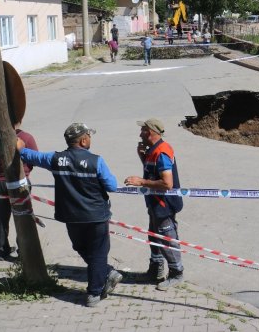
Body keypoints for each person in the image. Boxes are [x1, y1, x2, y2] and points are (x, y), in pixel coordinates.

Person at [17, 123, 122, 307]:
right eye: (89, 136)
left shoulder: (55, 159)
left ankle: (105, 274)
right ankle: (94, 293)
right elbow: (112, 186)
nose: (90, 139)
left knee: (80, 247)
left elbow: (32, 156)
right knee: (97, 253)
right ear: (83, 140)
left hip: (71, 216)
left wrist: (20, 148)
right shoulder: (96, 161)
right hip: (96, 215)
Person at [124, 118, 184, 291]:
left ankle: (176, 273)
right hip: (154, 203)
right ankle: (156, 270)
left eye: (142, 130)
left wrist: (141, 182)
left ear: (150, 132)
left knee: (167, 238)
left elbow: (167, 183)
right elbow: (153, 172)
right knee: (154, 235)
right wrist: (142, 156)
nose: (140, 133)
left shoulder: (162, 152)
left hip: (163, 204)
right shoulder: (153, 150)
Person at [0, 123, 38, 261]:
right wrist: (26, 172)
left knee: (3, 217)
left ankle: (3, 250)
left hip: (1, 183)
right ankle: (23, 250)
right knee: (23, 216)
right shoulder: (27, 138)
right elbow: (34, 158)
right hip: (21, 183)